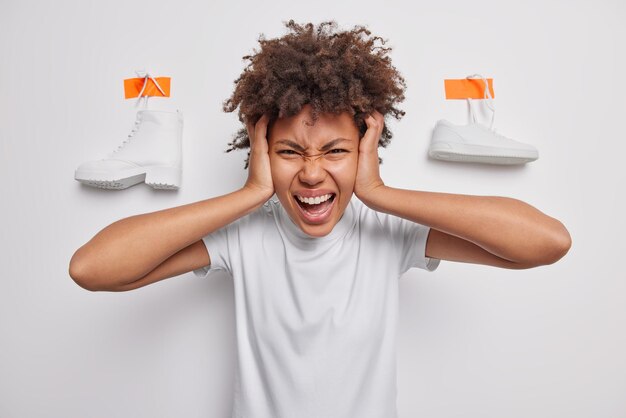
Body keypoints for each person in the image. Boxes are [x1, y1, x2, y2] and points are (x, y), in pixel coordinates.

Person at [69, 20, 571, 418]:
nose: (312, 173)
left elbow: (547, 242)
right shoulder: (244, 233)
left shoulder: (389, 231)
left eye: (335, 151)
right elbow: (92, 269)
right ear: (262, 151)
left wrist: (379, 193)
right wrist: (251, 193)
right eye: (289, 151)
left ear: (364, 152)